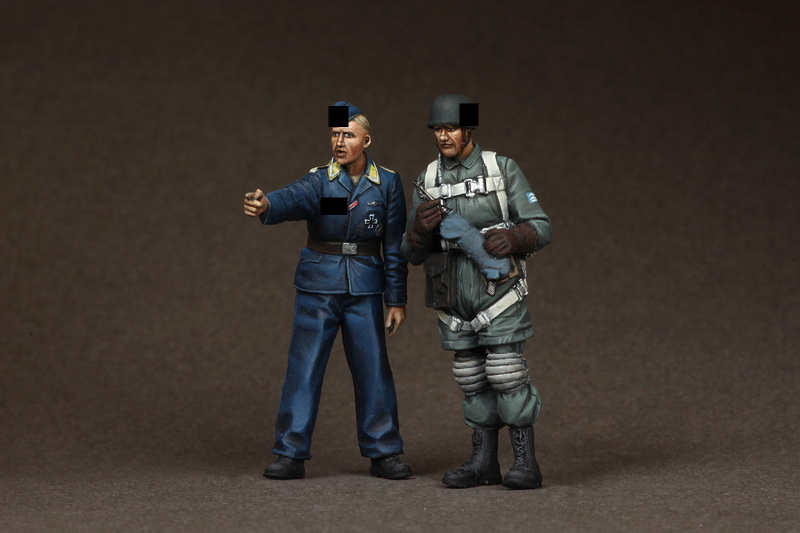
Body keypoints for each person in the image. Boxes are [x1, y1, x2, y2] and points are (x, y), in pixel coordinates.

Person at [243, 101, 411, 480]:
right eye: (335, 134)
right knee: (303, 369)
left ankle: (384, 451)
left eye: (348, 134)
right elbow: (292, 197)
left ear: (366, 140)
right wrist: (267, 203)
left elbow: (394, 246)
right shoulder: (319, 181)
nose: (339, 141)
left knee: (373, 370)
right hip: (318, 287)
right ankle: (290, 452)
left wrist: (397, 299)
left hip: (364, 287)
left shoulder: (387, 183)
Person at [401, 94, 552, 490]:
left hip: (498, 293)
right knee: (470, 378)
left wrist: (515, 237)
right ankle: (483, 462)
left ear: (468, 129)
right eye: (437, 129)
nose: (443, 136)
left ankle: (525, 462)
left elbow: (542, 225)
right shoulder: (427, 180)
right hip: (452, 297)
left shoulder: (501, 169)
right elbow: (410, 253)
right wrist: (418, 231)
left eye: (451, 128)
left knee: (506, 373)